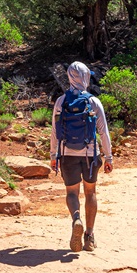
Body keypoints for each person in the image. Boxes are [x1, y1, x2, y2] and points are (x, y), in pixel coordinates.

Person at [50, 62, 113, 253]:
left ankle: (76, 219)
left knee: (71, 193)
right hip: (89, 155)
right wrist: (109, 157)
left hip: (67, 153)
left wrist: (54, 156)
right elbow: (103, 132)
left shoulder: (61, 101)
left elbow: (54, 131)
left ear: (70, 77)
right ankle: (90, 236)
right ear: (85, 77)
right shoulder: (93, 102)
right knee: (90, 193)